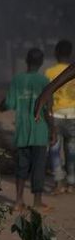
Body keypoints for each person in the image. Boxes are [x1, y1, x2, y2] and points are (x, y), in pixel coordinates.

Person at [0, 48, 56, 213]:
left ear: (26, 61)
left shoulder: (17, 80)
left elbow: (9, 103)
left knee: (21, 165)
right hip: (40, 130)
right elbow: (48, 109)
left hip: (22, 130)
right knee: (39, 166)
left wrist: (1, 105)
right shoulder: (45, 81)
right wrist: (52, 129)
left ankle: (18, 201)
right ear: (41, 62)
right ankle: (37, 202)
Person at [43, 40, 75, 194]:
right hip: (73, 114)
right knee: (72, 150)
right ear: (70, 53)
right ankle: (71, 182)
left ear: (56, 53)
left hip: (55, 114)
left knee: (54, 149)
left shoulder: (49, 72)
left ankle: (58, 183)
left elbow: (47, 96)